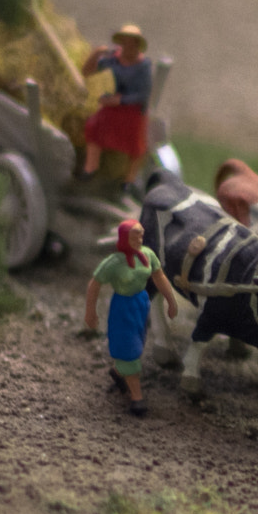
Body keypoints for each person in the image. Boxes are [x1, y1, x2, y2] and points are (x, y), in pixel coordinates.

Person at [85, 219, 179, 417]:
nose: (139, 239)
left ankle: (119, 373)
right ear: (124, 237)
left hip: (141, 304)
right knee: (129, 351)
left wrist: (171, 300)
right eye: (135, 235)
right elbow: (94, 284)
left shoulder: (148, 255)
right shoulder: (114, 263)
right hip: (123, 308)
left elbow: (159, 276)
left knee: (136, 345)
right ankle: (137, 398)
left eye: (141, 235)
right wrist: (90, 312)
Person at [78, 25, 155, 186]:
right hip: (111, 109)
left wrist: (120, 100)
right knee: (94, 125)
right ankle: (90, 167)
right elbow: (87, 73)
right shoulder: (111, 61)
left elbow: (143, 94)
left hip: (132, 110)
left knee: (136, 141)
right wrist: (96, 54)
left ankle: (129, 178)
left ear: (137, 45)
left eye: (132, 43)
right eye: (125, 43)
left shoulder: (143, 67)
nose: (128, 47)